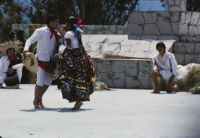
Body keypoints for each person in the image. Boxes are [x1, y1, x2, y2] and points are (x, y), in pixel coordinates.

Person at [56, 16, 94, 110]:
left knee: (68, 79)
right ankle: (78, 101)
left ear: (69, 24)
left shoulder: (68, 33)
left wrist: (62, 53)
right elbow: (81, 47)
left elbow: (68, 47)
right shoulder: (77, 33)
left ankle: (78, 101)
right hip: (81, 59)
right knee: (79, 80)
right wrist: (87, 57)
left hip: (73, 59)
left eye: (66, 23)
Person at [23, 14, 59, 108]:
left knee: (48, 82)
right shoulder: (40, 31)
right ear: (50, 22)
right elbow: (30, 40)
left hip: (50, 62)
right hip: (40, 60)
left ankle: (39, 97)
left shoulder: (56, 34)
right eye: (56, 21)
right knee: (40, 81)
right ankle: (36, 100)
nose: (57, 23)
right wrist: (26, 49)